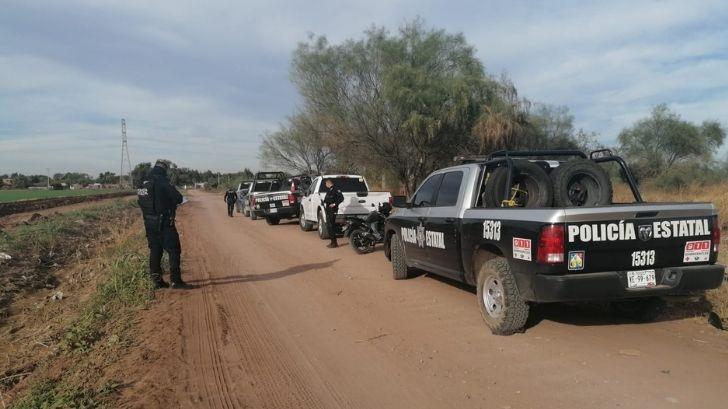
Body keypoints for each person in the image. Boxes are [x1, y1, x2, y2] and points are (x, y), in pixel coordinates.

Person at [137, 159, 188, 289]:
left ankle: (157, 281)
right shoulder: (162, 181)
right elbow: (178, 198)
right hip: (164, 222)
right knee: (174, 249)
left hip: (149, 222)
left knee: (155, 250)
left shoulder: (143, 182)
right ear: (165, 168)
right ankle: (176, 281)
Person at [322, 178, 344, 248]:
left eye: (326, 184)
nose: (325, 185)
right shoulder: (329, 190)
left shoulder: (336, 189)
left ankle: (334, 243)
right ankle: (332, 241)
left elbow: (341, 198)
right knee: (329, 226)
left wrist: (335, 204)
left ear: (328, 183)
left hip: (333, 210)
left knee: (331, 226)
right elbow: (327, 198)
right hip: (328, 209)